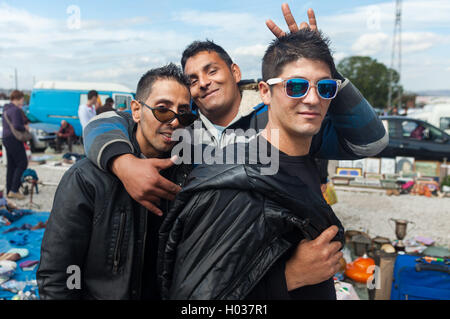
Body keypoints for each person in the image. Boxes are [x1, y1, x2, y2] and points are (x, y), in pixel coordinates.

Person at [82, 5, 388, 217]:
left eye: (211, 71)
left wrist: (322, 68)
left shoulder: (283, 117)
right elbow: (107, 121)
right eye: (192, 79)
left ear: (235, 71)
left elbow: (370, 142)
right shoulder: (183, 126)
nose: (203, 83)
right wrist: (122, 164)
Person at [158, 29, 345, 300]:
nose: (313, 99)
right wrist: (288, 277)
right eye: (296, 86)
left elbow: (372, 139)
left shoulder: (302, 160)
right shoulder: (236, 183)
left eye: (325, 87)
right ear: (265, 93)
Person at [36, 64, 196, 300]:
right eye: (163, 110)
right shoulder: (87, 179)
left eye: (183, 113)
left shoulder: (188, 173)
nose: (174, 121)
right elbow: (58, 275)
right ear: (136, 110)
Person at [1, 90, 28, 200]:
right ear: (18, 98)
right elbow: (17, 125)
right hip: (14, 139)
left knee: (11, 165)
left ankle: (9, 191)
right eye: (22, 99)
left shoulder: (6, 109)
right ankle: (14, 190)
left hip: (6, 138)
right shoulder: (16, 110)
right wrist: (25, 128)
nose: (23, 101)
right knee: (22, 162)